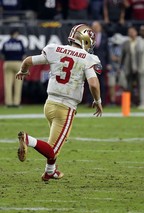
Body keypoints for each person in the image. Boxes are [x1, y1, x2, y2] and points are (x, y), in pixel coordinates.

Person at [15, 24, 103, 181]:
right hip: (66, 107)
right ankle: (28, 139)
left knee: (54, 144)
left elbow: (28, 61)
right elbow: (94, 84)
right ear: (86, 40)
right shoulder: (88, 58)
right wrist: (98, 100)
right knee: (53, 150)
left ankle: (50, 171)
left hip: (49, 105)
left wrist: (23, 71)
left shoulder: (55, 49)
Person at [1, 28, 26, 108]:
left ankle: (8, 103)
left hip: (8, 63)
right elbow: (24, 55)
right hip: (18, 63)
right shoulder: (19, 42)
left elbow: (2, 55)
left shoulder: (6, 43)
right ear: (15, 34)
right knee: (18, 84)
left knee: (8, 84)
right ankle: (16, 103)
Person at [120, 26, 141, 106]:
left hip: (139, 66)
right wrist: (120, 66)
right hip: (128, 67)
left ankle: (140, 102)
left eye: (132, 31)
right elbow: (122, 56)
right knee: (129, 86)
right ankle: (130, 102)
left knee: (140, 85)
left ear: (136, 32)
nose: (131, 33)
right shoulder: (125, 43)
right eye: (129, 32)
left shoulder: (140, 42)